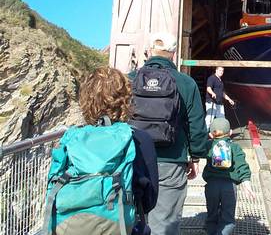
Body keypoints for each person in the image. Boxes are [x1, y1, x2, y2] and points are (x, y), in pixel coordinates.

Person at [46, 67, 158, 234]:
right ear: (126, 100)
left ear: (84, 100)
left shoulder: (72, 138)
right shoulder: (139, 139)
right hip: (119, 226)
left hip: (68, 225)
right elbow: (149, 200)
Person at [130, 32, 208, 235]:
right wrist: (196, 155)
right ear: (173, 54)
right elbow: (196, 124)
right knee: (165, 223)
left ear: (148, 51)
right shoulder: (186, 83)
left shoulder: (130, 79)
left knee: (131, 218)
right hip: (171, 161)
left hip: (133, 158)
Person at [203, 118, 254, 235]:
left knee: (211, 215)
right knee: (227, 218)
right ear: (230, 132)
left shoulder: (208, 145)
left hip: (211, 186)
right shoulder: (235, 147)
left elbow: (196, 150)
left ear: (210, 134)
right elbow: (242, 164)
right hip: (229, 187)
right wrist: (246, 180)